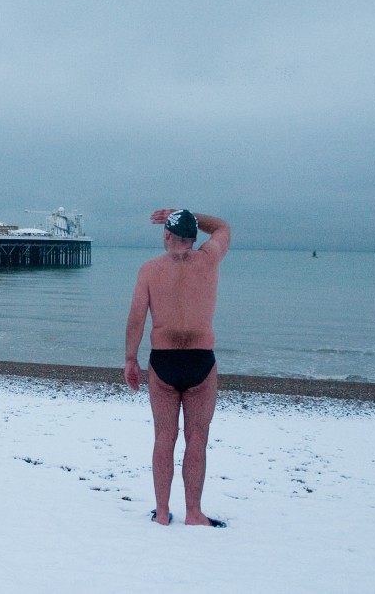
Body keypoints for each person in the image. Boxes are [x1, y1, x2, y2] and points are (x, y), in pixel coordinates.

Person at [124, 209, 231, 527]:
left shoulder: (149, 270)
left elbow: (136, 317)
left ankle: (161, 513)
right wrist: (186, 214)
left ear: (166, 236)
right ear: (195, 238)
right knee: (197, 438)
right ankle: (194, 513)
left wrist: (131, 359)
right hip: (200, 359)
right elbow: (223, 226)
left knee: (164, 437)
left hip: (164, 360)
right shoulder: (209, 259)